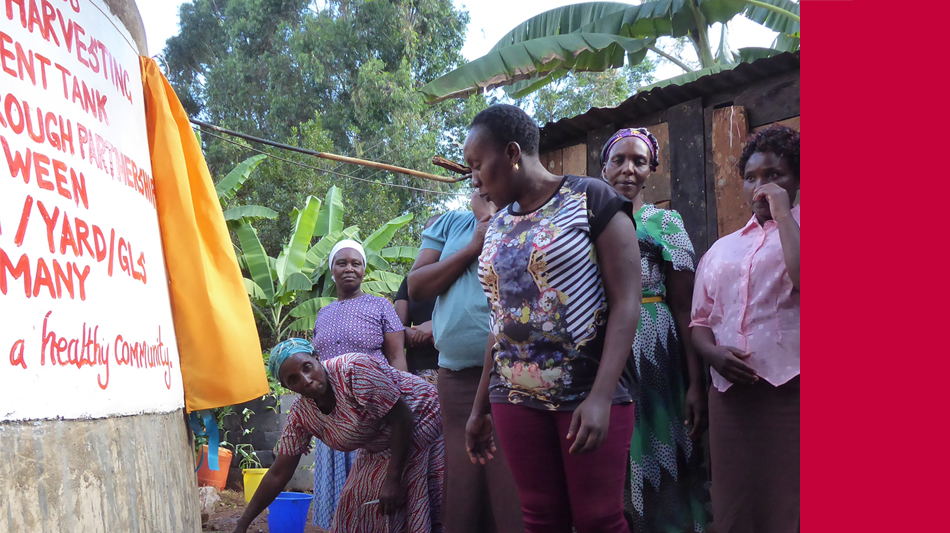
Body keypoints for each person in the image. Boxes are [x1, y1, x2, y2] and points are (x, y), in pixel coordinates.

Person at [463, 104, 642, 533]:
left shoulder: (592, 199)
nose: (474, 180)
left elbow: (627, 302)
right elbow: (499, 322)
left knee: (599, 520)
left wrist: (600, 397)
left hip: (586, 392)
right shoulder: (497, 225)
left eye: (477, 165)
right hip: (513, 397)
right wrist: (479, 406)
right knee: (541, 520)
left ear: (512, 153)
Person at [690, 125, 800, 533]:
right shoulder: (722, 249)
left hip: (791, 393)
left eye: (775, 175)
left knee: (790, 501)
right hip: (731, 398)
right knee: (737, 503)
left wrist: (784, 215)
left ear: (798, 180)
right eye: (751, 178)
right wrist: (712, 354)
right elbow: (700, 320)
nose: (761, 187)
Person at [601, 128, 710, 532]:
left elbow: (684, 308)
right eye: (619, 160)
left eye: (639, 161)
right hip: (602, 354)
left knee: (663, 450)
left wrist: (696, 384)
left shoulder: (665, 222)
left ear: (651, 170)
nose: (628, 169)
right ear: (604, 167)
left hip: (657, 355)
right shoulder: (585, 226)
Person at [231, 338, 443, 533]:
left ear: (317, 358)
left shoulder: (353, 370)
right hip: (379, 444)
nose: (306, 380)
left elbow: (402, 417)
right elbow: (279, 473)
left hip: (422, 418)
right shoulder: (301, 415)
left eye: (307, 368)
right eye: (294, 379)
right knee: (353, 503)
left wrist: (393, 480)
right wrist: (243, 523)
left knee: (405, 497)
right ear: (287, 386)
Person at [407, 192, 525, 533]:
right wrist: (473, 245)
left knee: (509, 485)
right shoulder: (450, 224)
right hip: (455, 375)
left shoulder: (527, 220)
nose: (477, 180)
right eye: (472, 171)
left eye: (482, 169)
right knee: (463, 485)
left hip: (513, 374)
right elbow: (417, 286)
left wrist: (492, 222)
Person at [309, 239, 408, 529]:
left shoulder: (380, 306)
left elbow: (396, 356)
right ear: (332, 271)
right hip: (334, 416)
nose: (349, 268)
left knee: (371, 490)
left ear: (364, 270)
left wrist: (402, 399)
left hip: (372, 410)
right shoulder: (323, 313)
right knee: (337, 493)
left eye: (356, 263)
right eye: (342, 263)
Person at [395, 215, 443, 386]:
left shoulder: (466, 277)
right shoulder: (410, 282)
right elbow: (396, 331)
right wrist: (426, 334)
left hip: (462, 371)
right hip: (420, 372)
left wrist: (436, 327)